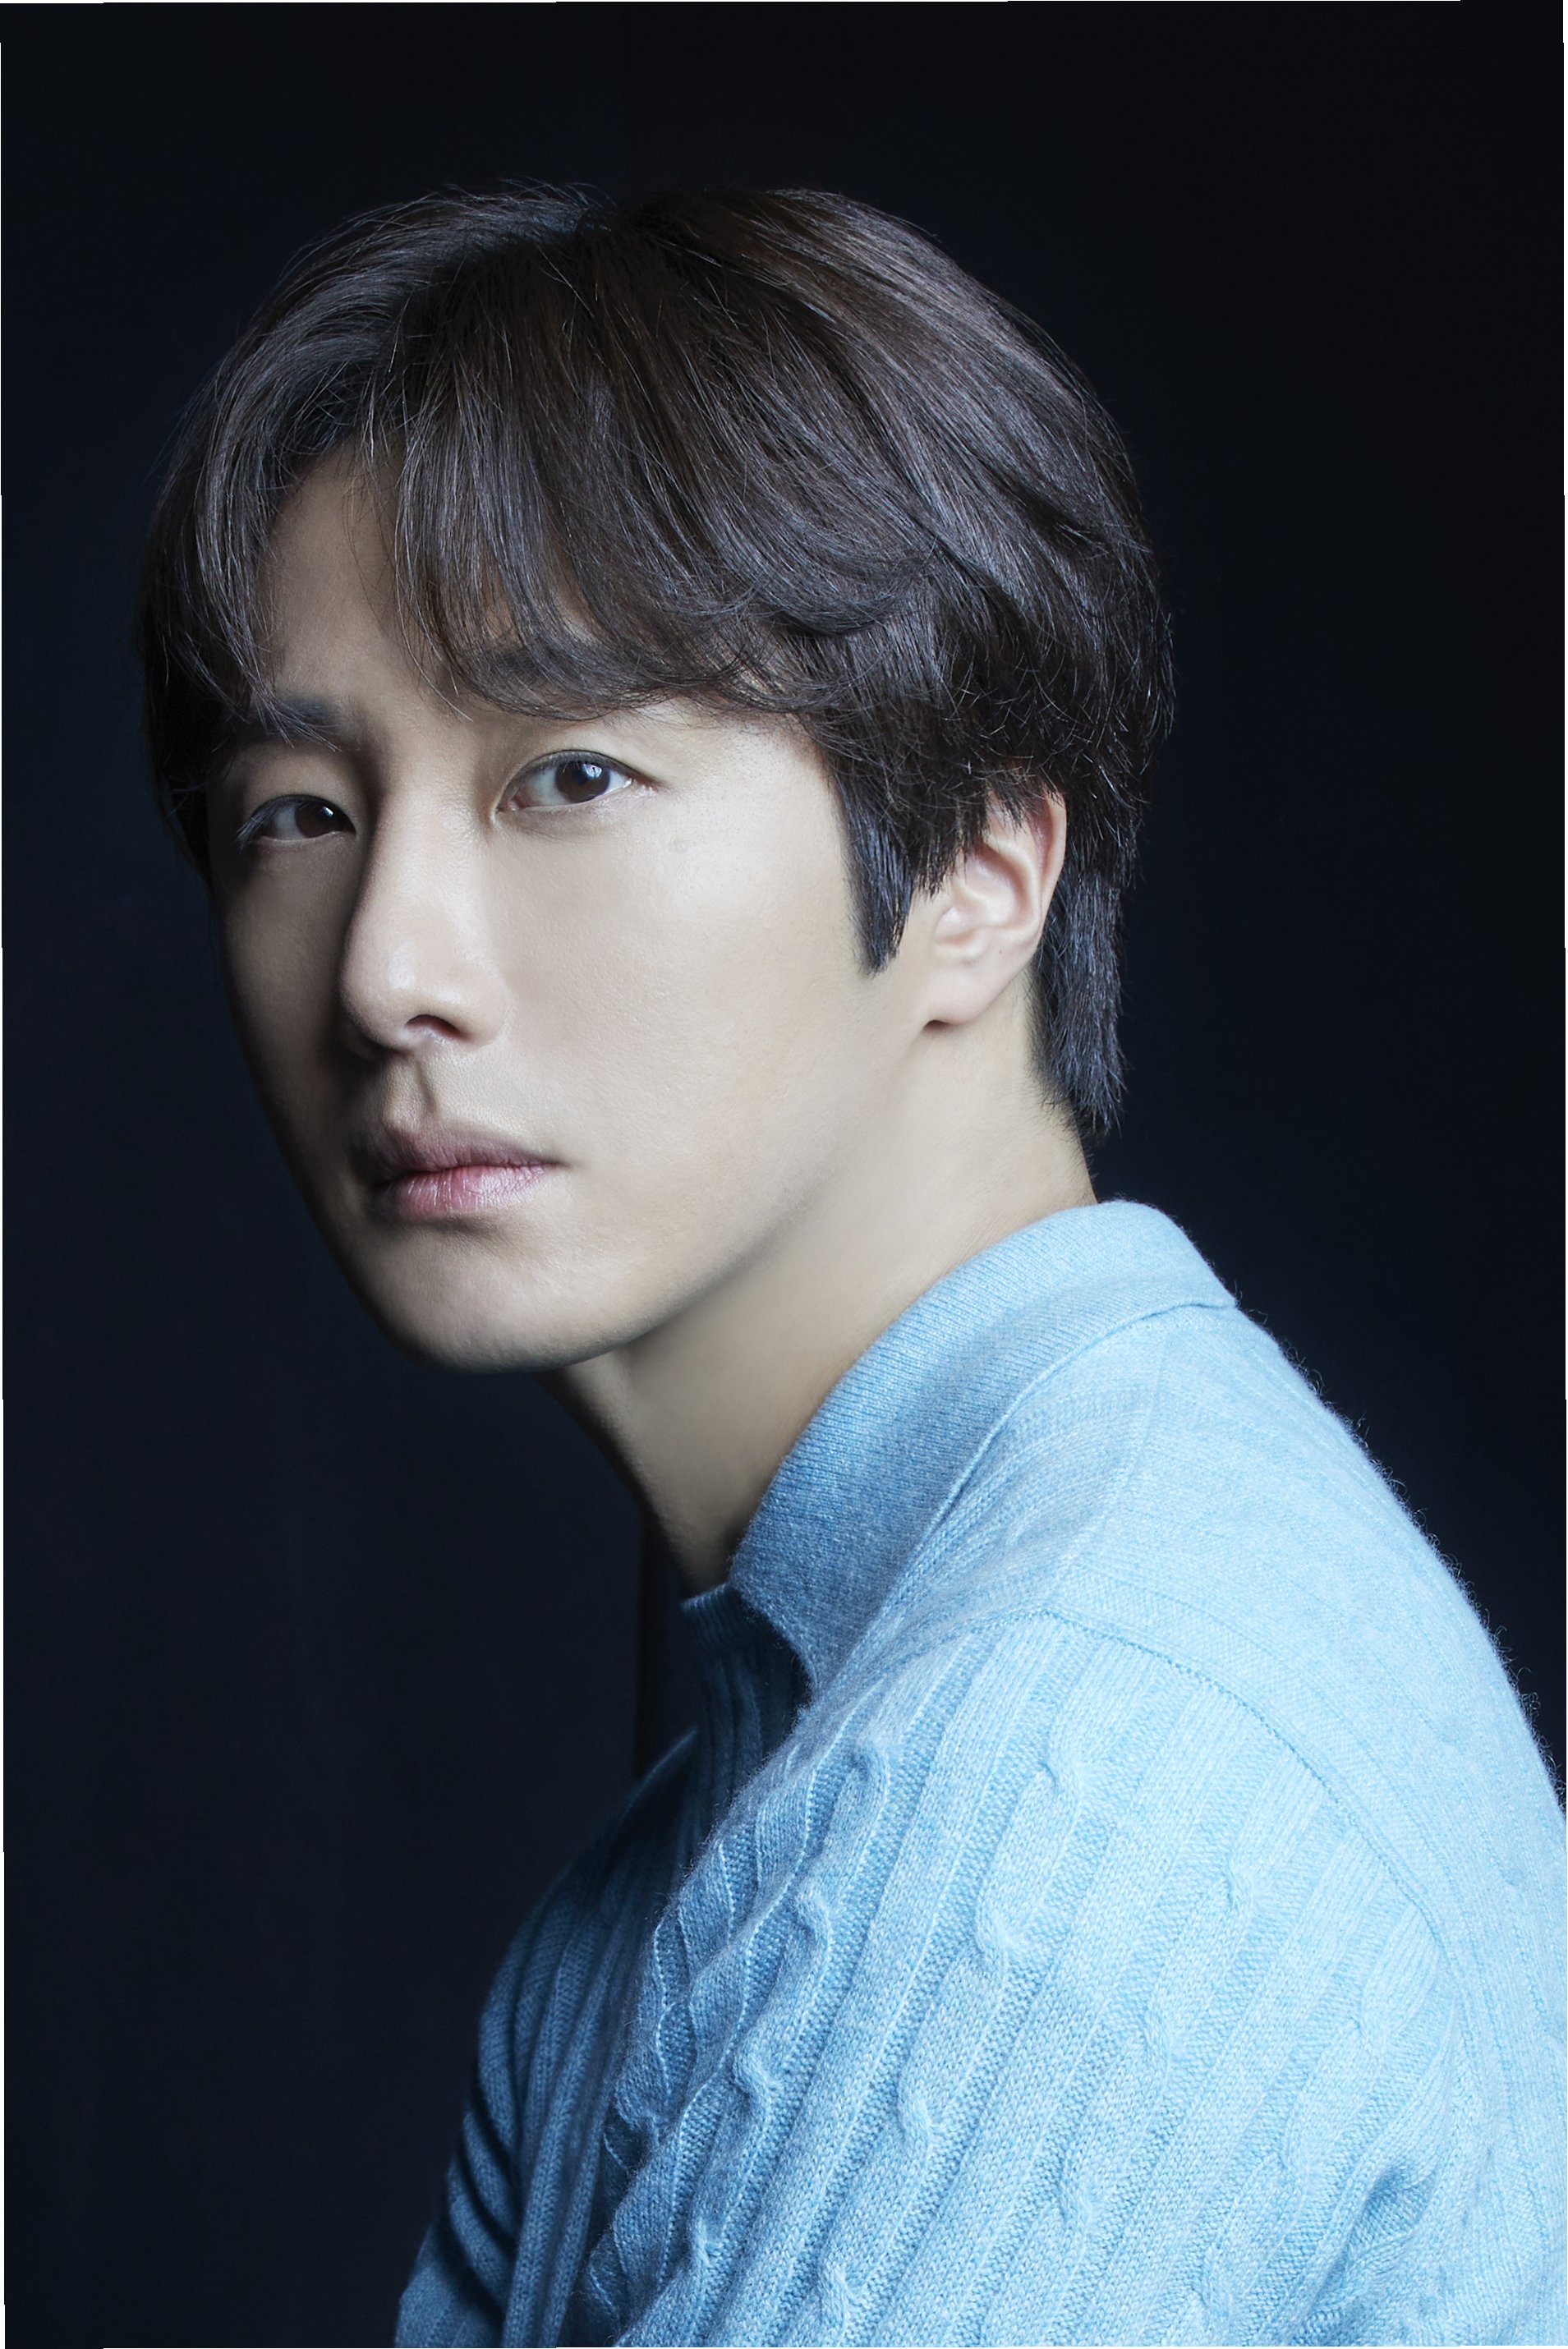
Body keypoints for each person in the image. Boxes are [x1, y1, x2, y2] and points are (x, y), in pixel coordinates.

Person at [136, 186, 1564, 2349]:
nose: (387, 970)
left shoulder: (1062, 1766)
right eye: (301, 812)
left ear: (984, 867)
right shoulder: (749, 1806)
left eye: (571, 774)